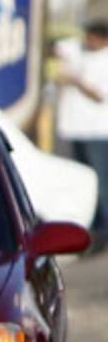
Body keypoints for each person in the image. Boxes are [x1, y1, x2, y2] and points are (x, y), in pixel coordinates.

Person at [55, 19, 108, 245]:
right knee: (81, 181)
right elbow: (56, 46)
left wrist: (75, 81)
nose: (88, 42)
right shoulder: (78, 50)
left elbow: (99, 96)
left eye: (93, 38)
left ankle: (103, 229)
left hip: (97, 131)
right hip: (73, 128)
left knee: (100, 181)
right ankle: (86, 226)